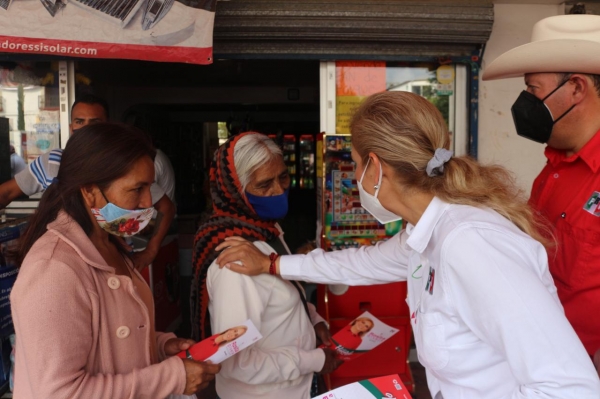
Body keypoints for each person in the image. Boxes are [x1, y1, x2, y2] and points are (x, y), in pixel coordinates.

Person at [214, 92, 600, 398]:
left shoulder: (472, 245)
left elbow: (567, 388)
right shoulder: (426, 234)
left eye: (354, 165)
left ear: (375, 168)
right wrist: (273, 266)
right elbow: (359, 264)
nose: (355, 180)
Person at [10, 123, 220, 398]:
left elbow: (107, 340)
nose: (148, 202)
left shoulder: (111, 244)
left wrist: (160, 346)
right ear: (90, 191)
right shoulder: (53, 270)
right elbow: (60, 393)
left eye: (150, 187)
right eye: (137, 189)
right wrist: (172, 378)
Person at [482, 14, 600, 375]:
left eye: (533, 90)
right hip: (537, 364)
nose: (525, 103)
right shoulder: (553, 169)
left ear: (576, 88)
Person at [191, 132, 342, 399]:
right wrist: (316, 360)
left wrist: (312, 319)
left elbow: (280, 295)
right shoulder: (235, 261)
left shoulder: (265, 232)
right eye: (263, 185)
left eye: (283, 177)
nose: (278, 190)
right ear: (234, 190)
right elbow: (238, 363)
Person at [0, 94, 176, 271]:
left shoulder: (121, 168)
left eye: (94, 122)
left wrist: (151, 250)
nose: (85, 128)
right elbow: (6, 193)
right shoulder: (52, 162)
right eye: (79, 121)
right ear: (71, 126)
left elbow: (165, 207)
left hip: (112, 258)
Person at [180, 326, 248, 361]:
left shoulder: (216, 350)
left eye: (236, 335)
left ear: (233, 339)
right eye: (235, 331)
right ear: (231, 329)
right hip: (180, 355)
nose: (232, 334)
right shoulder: (210, 334)